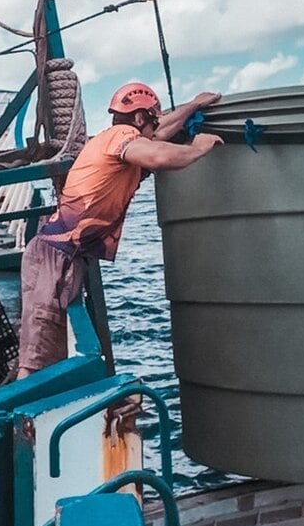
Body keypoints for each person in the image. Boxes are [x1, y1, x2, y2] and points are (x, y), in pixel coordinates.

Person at [16, 81, 222, 378]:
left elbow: (159, 134)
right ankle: (18, 408)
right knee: (35, 363)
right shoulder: (121, 137)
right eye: (152, 121)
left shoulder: (112, 141)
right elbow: (158, 155)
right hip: (54, 258)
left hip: (63, 256)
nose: (157, 130)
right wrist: (198, 148)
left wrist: (194, 105)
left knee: (49, 357)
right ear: (139, 119)